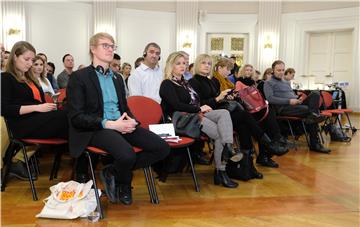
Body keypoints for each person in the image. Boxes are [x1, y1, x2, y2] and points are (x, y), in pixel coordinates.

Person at [67, 32, 170, 205]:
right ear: (93, 49)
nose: (110, 49)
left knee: (162, 148)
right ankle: (124, 183)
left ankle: (113, 171)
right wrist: (110, 124)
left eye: (112, 46)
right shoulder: (80, 77)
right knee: (127, 155)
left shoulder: (117, 77)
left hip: (120, 123)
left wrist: (132, 121)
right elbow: (77, 117)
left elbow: (125, 107)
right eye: (105, 45)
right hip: (97, 127)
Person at [160, 52, 245, 188]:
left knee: (223, 113)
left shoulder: (185, 83)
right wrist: (199, 109)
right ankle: (221, 172)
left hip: (194, 115)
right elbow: (176, 105)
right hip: (181, 119)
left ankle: (228, 148)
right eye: (178, 63)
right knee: (219, 135)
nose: (182, 66)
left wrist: (200, 108)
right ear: (171, 65)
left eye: (184, 63)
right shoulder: (167, 84)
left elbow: (196, 103)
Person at [190, 56, 288, 171]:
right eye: (203, 63)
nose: (207, 65)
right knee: (246, 116)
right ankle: (269, 144)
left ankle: (248, 167)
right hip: (211, 117)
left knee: (245, 125)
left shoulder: (209, 80)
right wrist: (219, 98)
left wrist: (227, 97)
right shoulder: (194, 81)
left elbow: (216, 101)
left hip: (220, 112)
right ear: (197, 64)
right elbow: (200, 105)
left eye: (209, 63)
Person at [1, 41, 68, 179]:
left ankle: (84, 162)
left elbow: (41, 103)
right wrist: (38, 108)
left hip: (36, 119)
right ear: (14, 57)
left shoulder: (30, 78)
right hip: (21, 123)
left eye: (32, 60)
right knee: (69, 117)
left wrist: (47, 108)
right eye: (26, 59)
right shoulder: (6, 78)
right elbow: (5, 109)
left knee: (71, 115)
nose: (30, 63)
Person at [264, 60, 331, 153]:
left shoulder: (285, 82)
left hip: (295, 104)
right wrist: (289, 101)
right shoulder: (268, 83)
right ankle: (315, 143)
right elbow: (270, 99)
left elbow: (290, 94)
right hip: (284, 108)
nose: (281, 72)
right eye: (278, 70)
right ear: (273, 70)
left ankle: (313, 115)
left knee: (315, 93)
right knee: (311, 112)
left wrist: (297, 99)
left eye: (283, 70)